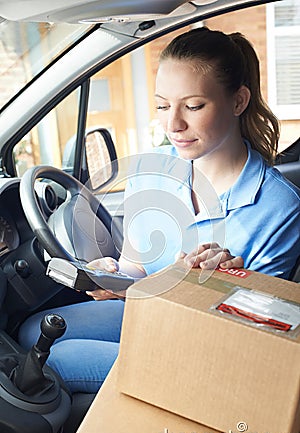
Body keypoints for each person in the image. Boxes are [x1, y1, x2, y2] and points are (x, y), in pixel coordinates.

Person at [18, 27, 300, 393]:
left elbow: (256, 334)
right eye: (163, 106)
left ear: (238, 101)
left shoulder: (279, 207)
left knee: (55, 358)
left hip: (202, 347)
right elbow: (136, 268)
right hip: (143, 312)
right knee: (30, 333)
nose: (173, 125)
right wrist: (113, 274)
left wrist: (222, 283)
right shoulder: (151, 174)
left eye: (194, 106)